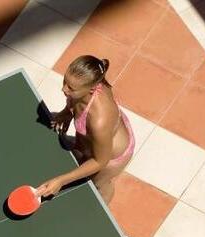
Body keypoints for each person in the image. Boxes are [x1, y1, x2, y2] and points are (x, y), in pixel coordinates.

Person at [37, 55, 135, 205]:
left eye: (71, 88)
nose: (64, 89)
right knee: (79, 154)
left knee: (99, 183)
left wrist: (61, 180)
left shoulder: (99, 121)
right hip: (95, 139)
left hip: (109, 158)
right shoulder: (84, 88)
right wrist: (66, 114)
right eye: (65, 81)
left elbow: (99, 161)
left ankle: (101, 210)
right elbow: (74, 102)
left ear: (92, 88)